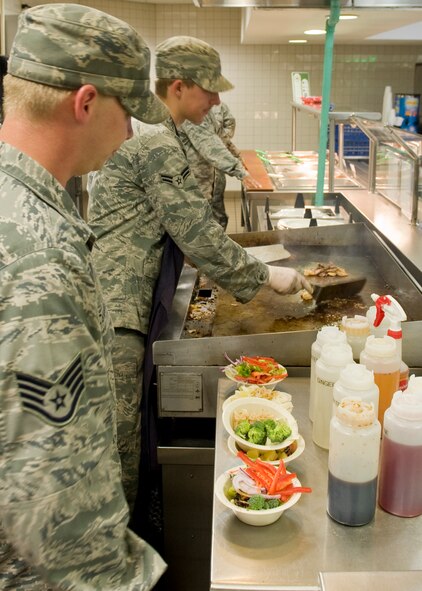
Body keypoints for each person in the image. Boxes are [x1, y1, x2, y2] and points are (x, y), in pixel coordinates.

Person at [87, 35, 311, 526]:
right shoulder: (154, 141)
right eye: (208, 90)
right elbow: (196, 232)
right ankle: (123, 554)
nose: (215, 101)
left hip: (130, 299)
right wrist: (267, 277)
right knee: (120, 448)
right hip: (118, 308)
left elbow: (195, 227)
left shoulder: (162, 131)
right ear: (179, 85)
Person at [0, 4, 169, 590]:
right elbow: (53, 506)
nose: (129, 133)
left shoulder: (19, 201)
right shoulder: (38, 256)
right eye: (128, 113)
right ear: (87, 102)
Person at [180, 101, 260, 229]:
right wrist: (240, 172)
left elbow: (220, 137)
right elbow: (210, 145)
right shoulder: (190, 113)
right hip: (196, 180)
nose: (216, 99)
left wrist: (238, 157)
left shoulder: (208, 111)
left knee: (218, 217)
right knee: (199, 223)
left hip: (213, 176)